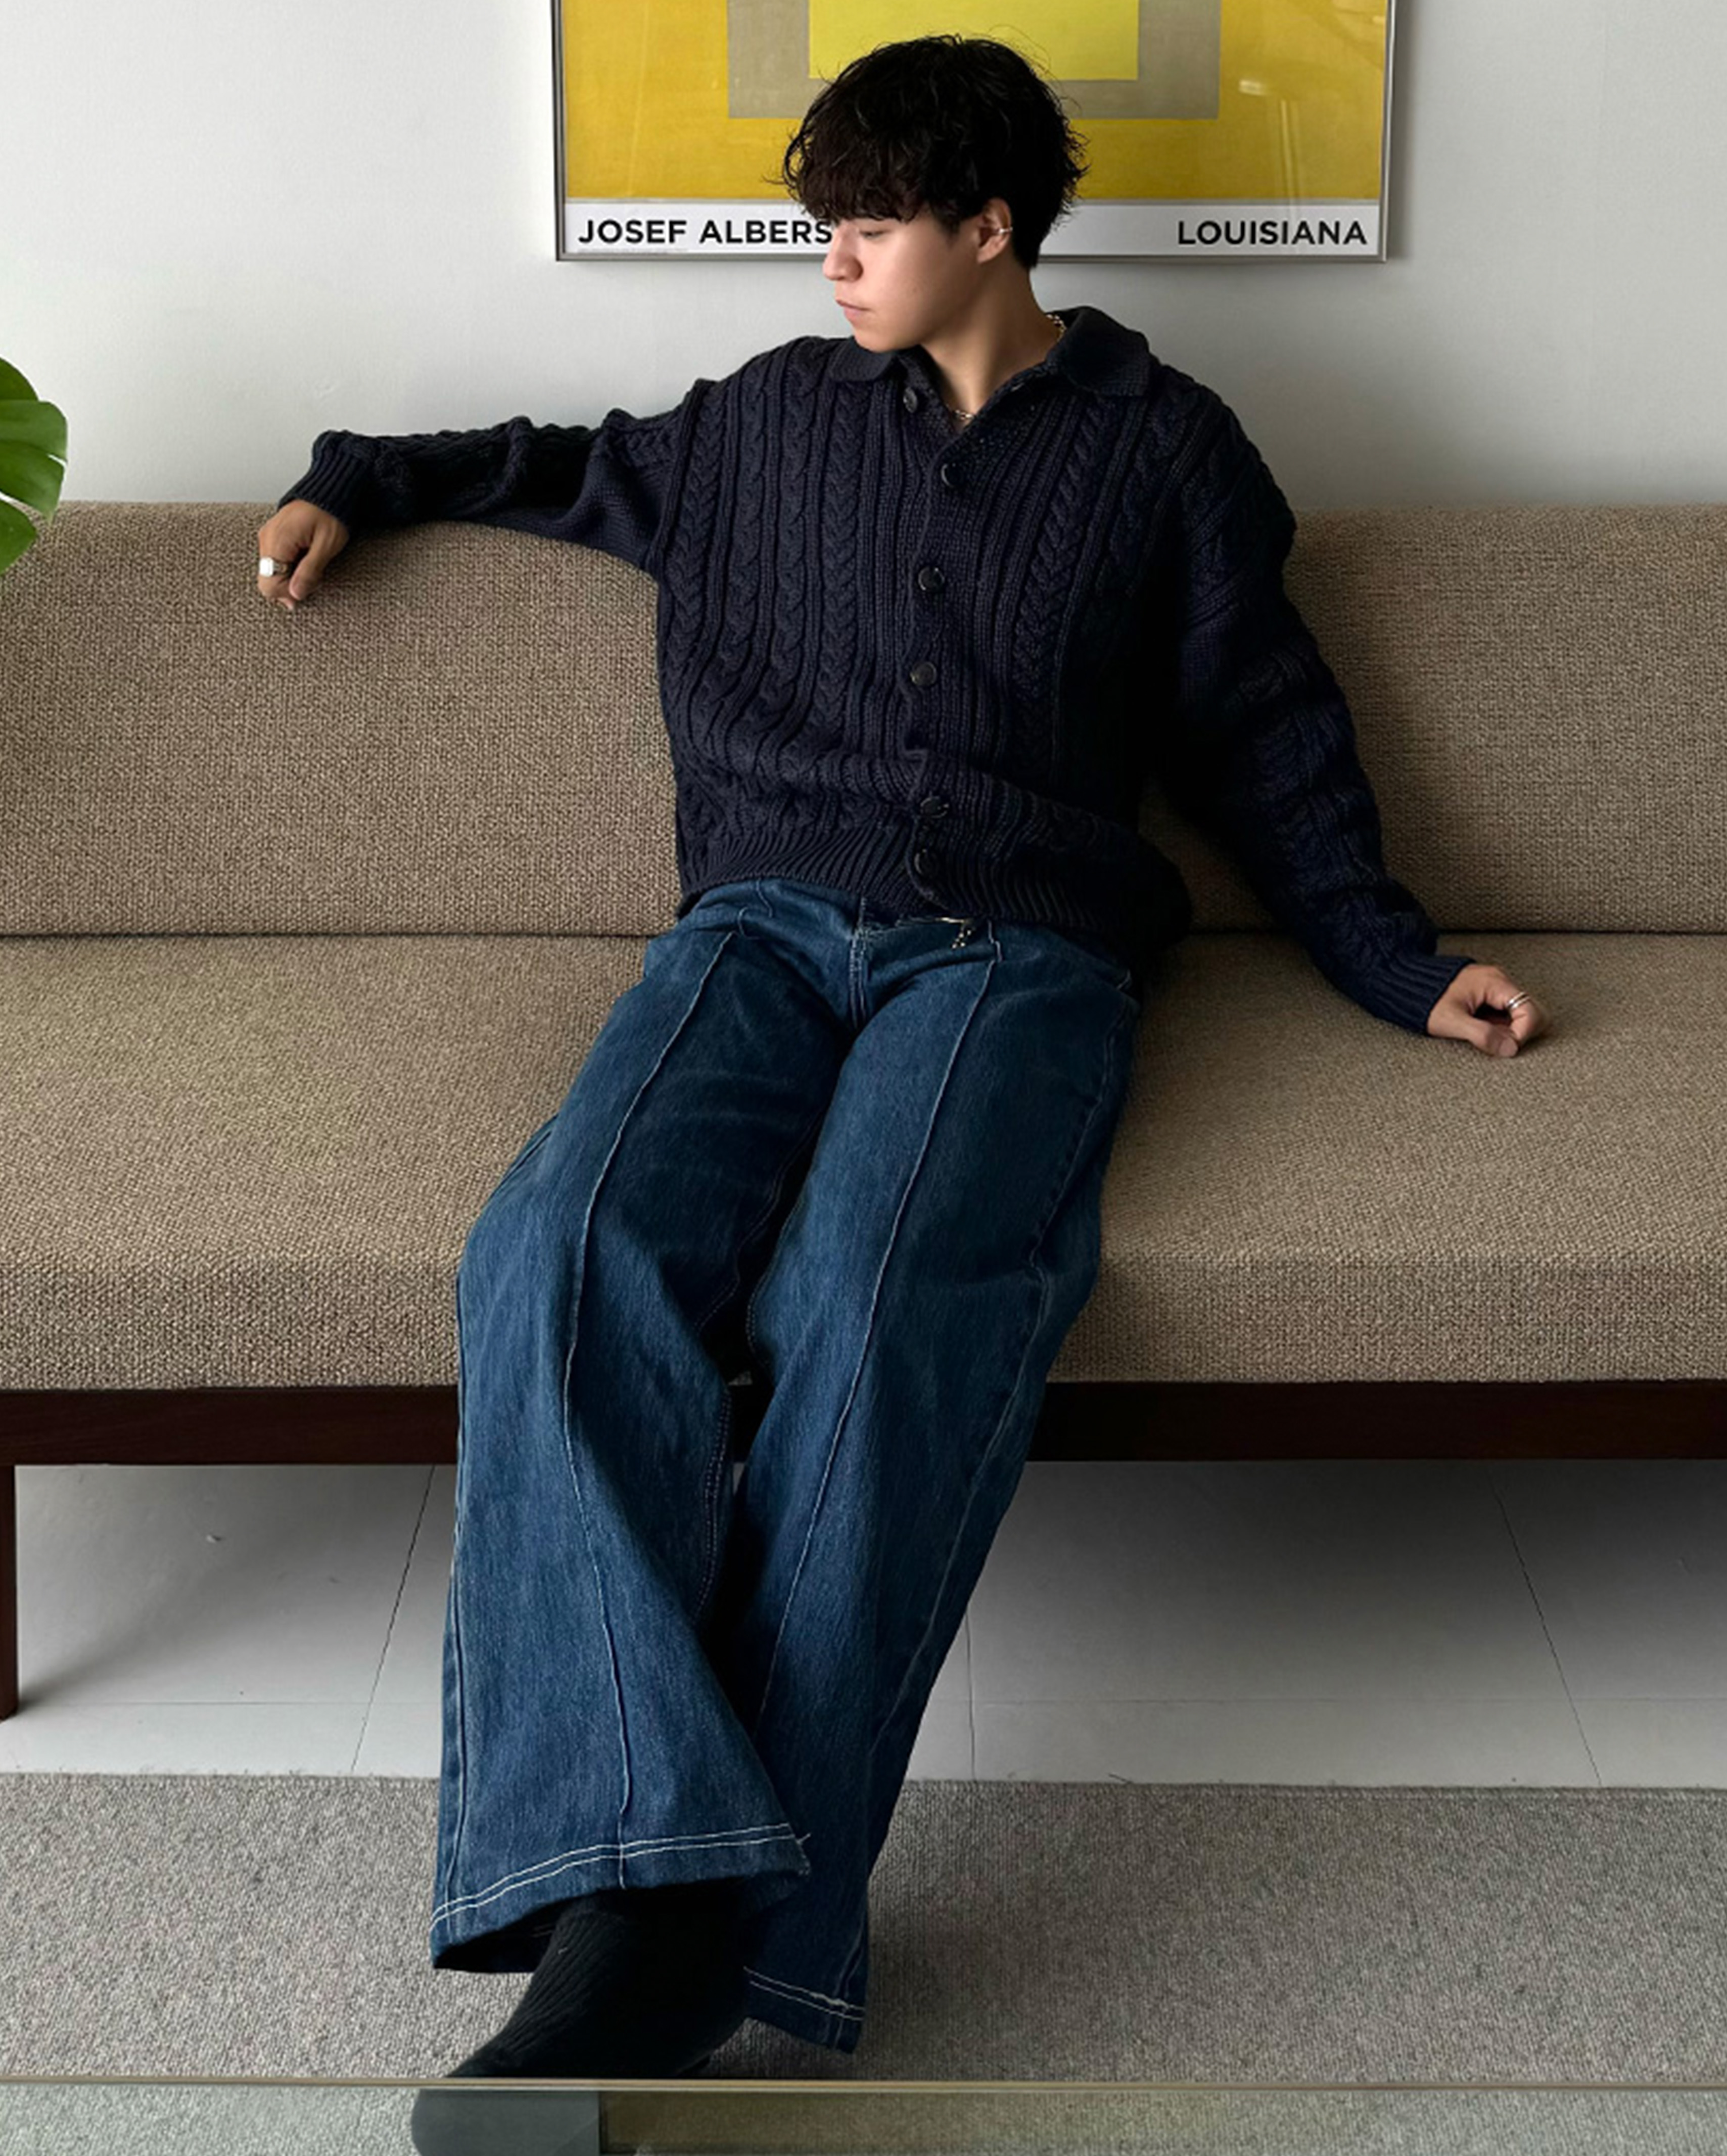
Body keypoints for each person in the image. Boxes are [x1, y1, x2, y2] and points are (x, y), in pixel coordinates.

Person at [255, 27, 1550, 2111]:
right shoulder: (762, 422)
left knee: (875, 1295)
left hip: (1018, 953)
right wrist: (353, 475)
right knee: (554, 1246)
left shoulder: (1167, 454)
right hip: (756, 934)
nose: (832, 263)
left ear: (989, 227)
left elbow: (1267, 731)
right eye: (824, 228)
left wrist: (1400, 962)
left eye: (866, 229)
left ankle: (690, 1939)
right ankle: (642, 1883)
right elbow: (538, 463)